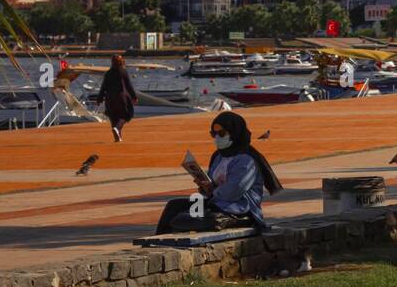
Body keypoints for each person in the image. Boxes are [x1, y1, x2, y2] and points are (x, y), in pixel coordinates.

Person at [155, 111, 283, 234]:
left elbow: (233, 192)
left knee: (184, 219)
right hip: (217, 204)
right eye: (214, 133)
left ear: (234, 132)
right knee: (174, 206)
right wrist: (204, 186)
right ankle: (157, 240)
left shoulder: (246, 160)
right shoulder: (219, 156)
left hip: (239, 210)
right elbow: (212, 188)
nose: (217, 137)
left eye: (221, 133)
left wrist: (212, 189)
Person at [97, 54, 138, 142]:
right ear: (121, 62)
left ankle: (117, 136)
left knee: (113, 117)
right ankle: (117, 128)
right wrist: (134, 97)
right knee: (125, 115)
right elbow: (129, 85)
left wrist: (99, 98)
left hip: (109, 98)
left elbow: (103, 87)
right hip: (121, 97)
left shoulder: (108, 73)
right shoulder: (123, 72)